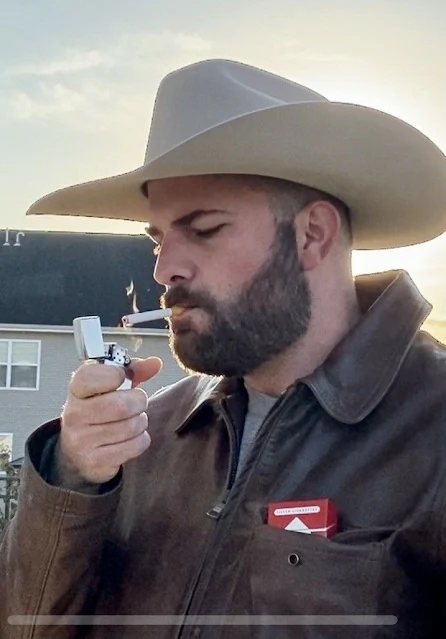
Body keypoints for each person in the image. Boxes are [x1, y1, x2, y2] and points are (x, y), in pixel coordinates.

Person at [2, 59, 446, 639]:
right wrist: (73, 479)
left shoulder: (432, 428)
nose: (165, 268)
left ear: (313, 235)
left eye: (204, 229)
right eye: (158, 238)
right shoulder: (146, 435)